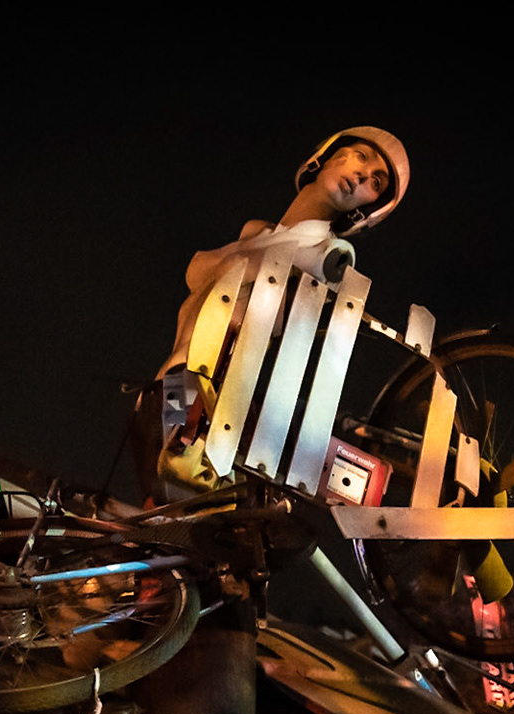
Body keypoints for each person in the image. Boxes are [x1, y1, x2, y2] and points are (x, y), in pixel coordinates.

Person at [134, 127, 411, 498]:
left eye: (376, 182)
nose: (363, 176)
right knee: (155, 515)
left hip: (213, 406)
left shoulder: (327, 254)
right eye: (362, 156)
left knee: (180, 514)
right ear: (328, 154)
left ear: (367, 209)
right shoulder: (256, 234)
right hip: (167, 387)